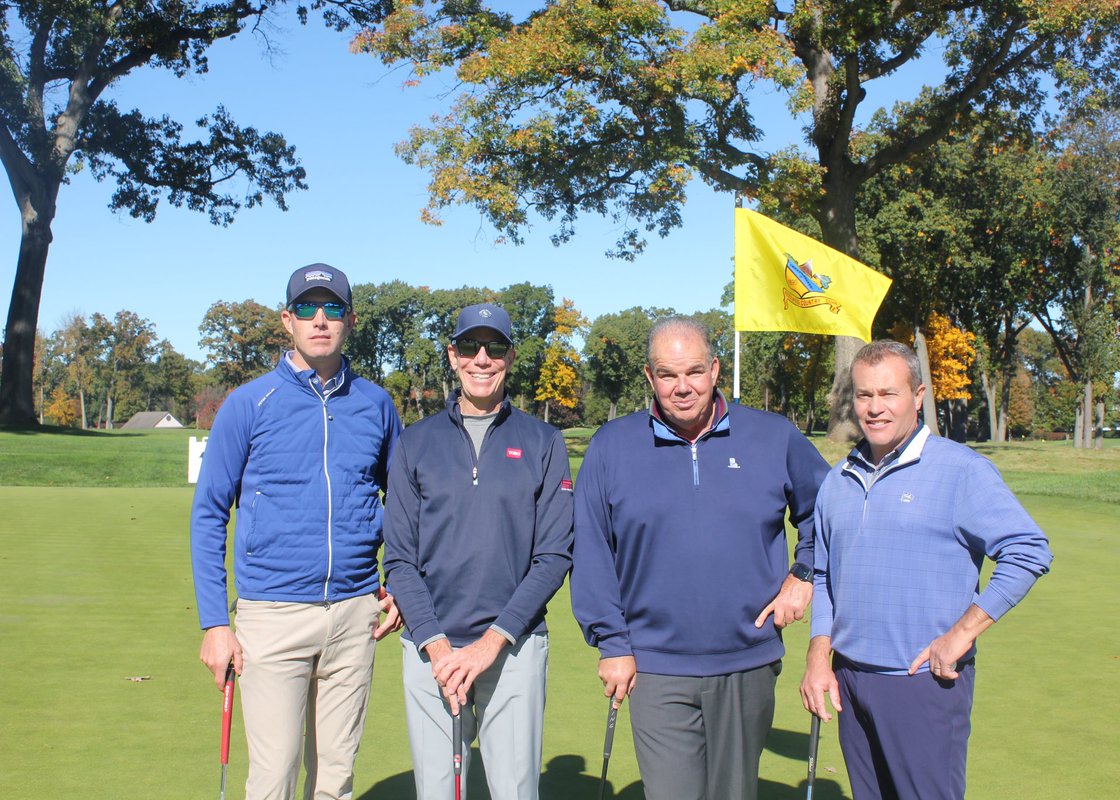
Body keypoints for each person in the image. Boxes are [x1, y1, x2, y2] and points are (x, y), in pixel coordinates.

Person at [571, 316, 830, 800]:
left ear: (715, 370)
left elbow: (829, 511)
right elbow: (592, 552)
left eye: (693, 371)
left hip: (747, 659)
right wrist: (612, 644)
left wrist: (805, 572)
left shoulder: (773, 436)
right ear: (649, 378)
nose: (682, 387)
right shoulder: (611, 446)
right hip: (653, 665)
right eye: (667, 375)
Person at [800, 340, 1053, 800]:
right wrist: (819, 657)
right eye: (863, 395)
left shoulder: (962, 471)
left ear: (917, 396)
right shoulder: (837, 481)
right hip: (850, 681)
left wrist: (962, 633)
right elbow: (823, 578)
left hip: (922, 684)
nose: (874, 408)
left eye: (888, 393)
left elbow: (1028, 551)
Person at [191, 263, 403, 800]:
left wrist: (401, 581)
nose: (320, 319)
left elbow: (403, 504)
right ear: (288, 320)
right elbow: (210, 513)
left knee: (335, 776)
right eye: (307, 308)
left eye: (332, 308)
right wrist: (216, 623)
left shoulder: (377, 404)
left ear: (350, 320)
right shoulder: (248, 404)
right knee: (274, 776)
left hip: (355, 614)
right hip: (272, 616)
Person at [382, 302, 574, 800]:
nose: (481, 359)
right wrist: (439, 646)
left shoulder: (544, 441)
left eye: (494, 348)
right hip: (430, 651)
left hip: (514, 648)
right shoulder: (414, 443)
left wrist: (492, 642)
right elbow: (399, 559)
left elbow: (553, 556)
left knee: (515, 792)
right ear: (452, 355)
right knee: (438, 793)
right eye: (469, 346)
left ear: (510, 357)